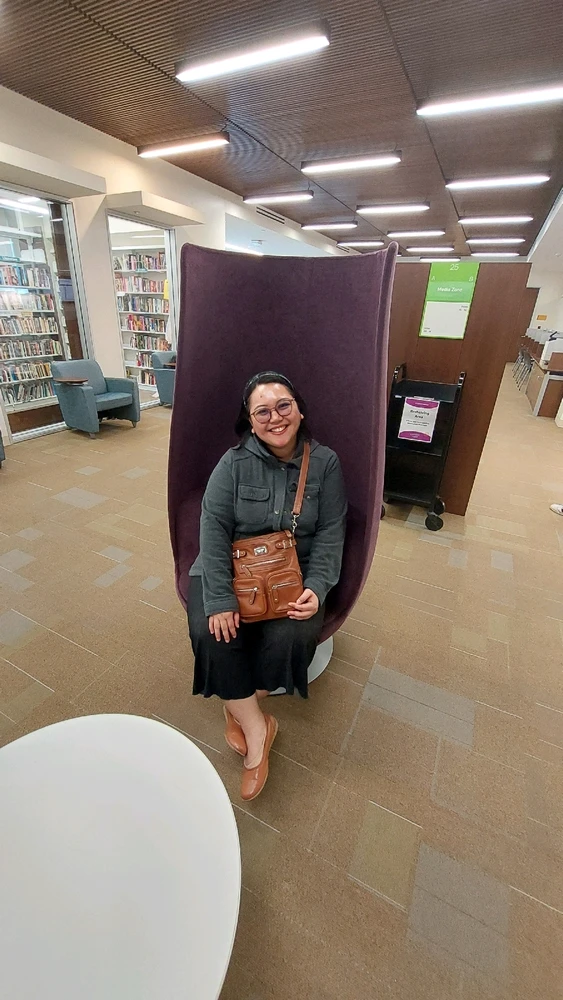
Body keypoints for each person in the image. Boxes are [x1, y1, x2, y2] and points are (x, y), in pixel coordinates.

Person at [188, 371, 347, 801]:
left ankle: (235, 699)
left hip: (292, 576)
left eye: (283, 406)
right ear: (250, 419)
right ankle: (258, 728)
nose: (275, 418)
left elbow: (333, 531)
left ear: (299, 408)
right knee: (211, 631)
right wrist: (220, 597)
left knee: (294, 635)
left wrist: (318, 586)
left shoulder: (326, 463)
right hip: (227, 571)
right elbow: (213, 526)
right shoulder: (233, 462)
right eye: (263, 411)